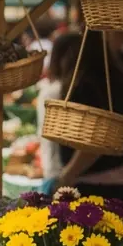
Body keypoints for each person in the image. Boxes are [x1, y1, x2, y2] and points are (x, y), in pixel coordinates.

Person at [55, 31, 123, 204]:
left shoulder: (88, 85)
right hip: (122, 186)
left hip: (101, 190)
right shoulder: (119, 81)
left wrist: (68, 174)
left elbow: (97, 140)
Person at [37, 31, 81, 188]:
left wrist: (53, 176)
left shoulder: (52, 91)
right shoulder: (59, 90)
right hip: (69, 173)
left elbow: (47, 138)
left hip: (61, 174)